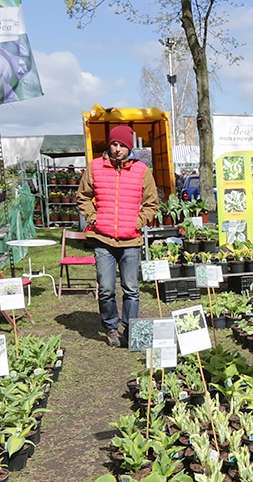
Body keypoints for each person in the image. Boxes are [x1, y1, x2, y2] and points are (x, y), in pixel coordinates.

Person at [77, 125, 159, 348]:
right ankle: (111, 327)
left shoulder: (142, 170)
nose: (117, 149)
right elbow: (82, 197)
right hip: (103, 240)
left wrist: (137, 221)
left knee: (131, 289)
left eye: (122, 145)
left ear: (129, 147)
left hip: (131, 241)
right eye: (114, 144)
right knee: (105, 288)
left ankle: (131, 329)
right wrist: (94, 219)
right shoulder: (95, 167)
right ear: (109, 145)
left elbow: (152, 203)